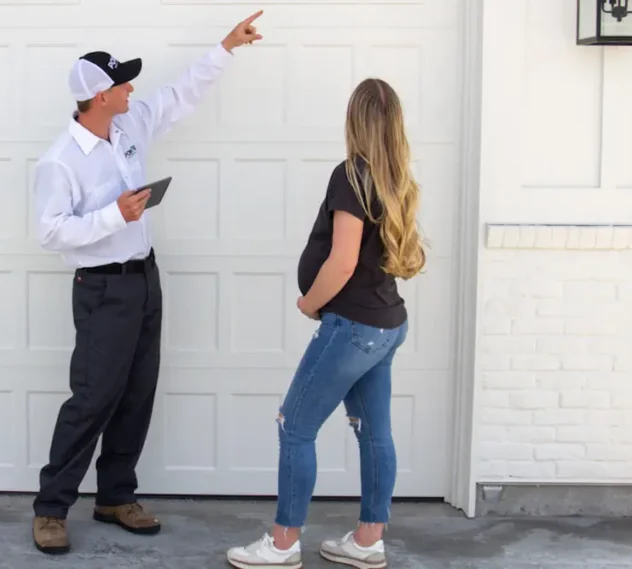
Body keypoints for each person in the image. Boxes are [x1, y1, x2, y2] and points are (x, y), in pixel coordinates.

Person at [29, 10, 265, 555]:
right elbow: (50, 234)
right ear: (98, 96)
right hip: (101, 288)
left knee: (137, 394)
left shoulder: (129, 124)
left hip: (144, 281)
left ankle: (115, 496)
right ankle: (50, 509)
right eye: (122, 82)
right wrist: (116, 217)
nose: (133, 87)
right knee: (91, 400)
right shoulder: (60, 162)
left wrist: (225, 46)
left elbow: (181, 95)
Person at [224, 77, 427, 569]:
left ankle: (282, 542)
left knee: (295, 425)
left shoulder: (353, 173)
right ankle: (367, 540)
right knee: (375, 432)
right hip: (386, 325)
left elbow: (342, 261)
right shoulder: (395, 174)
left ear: (353, 120)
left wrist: (308, 302)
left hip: (354, 327)